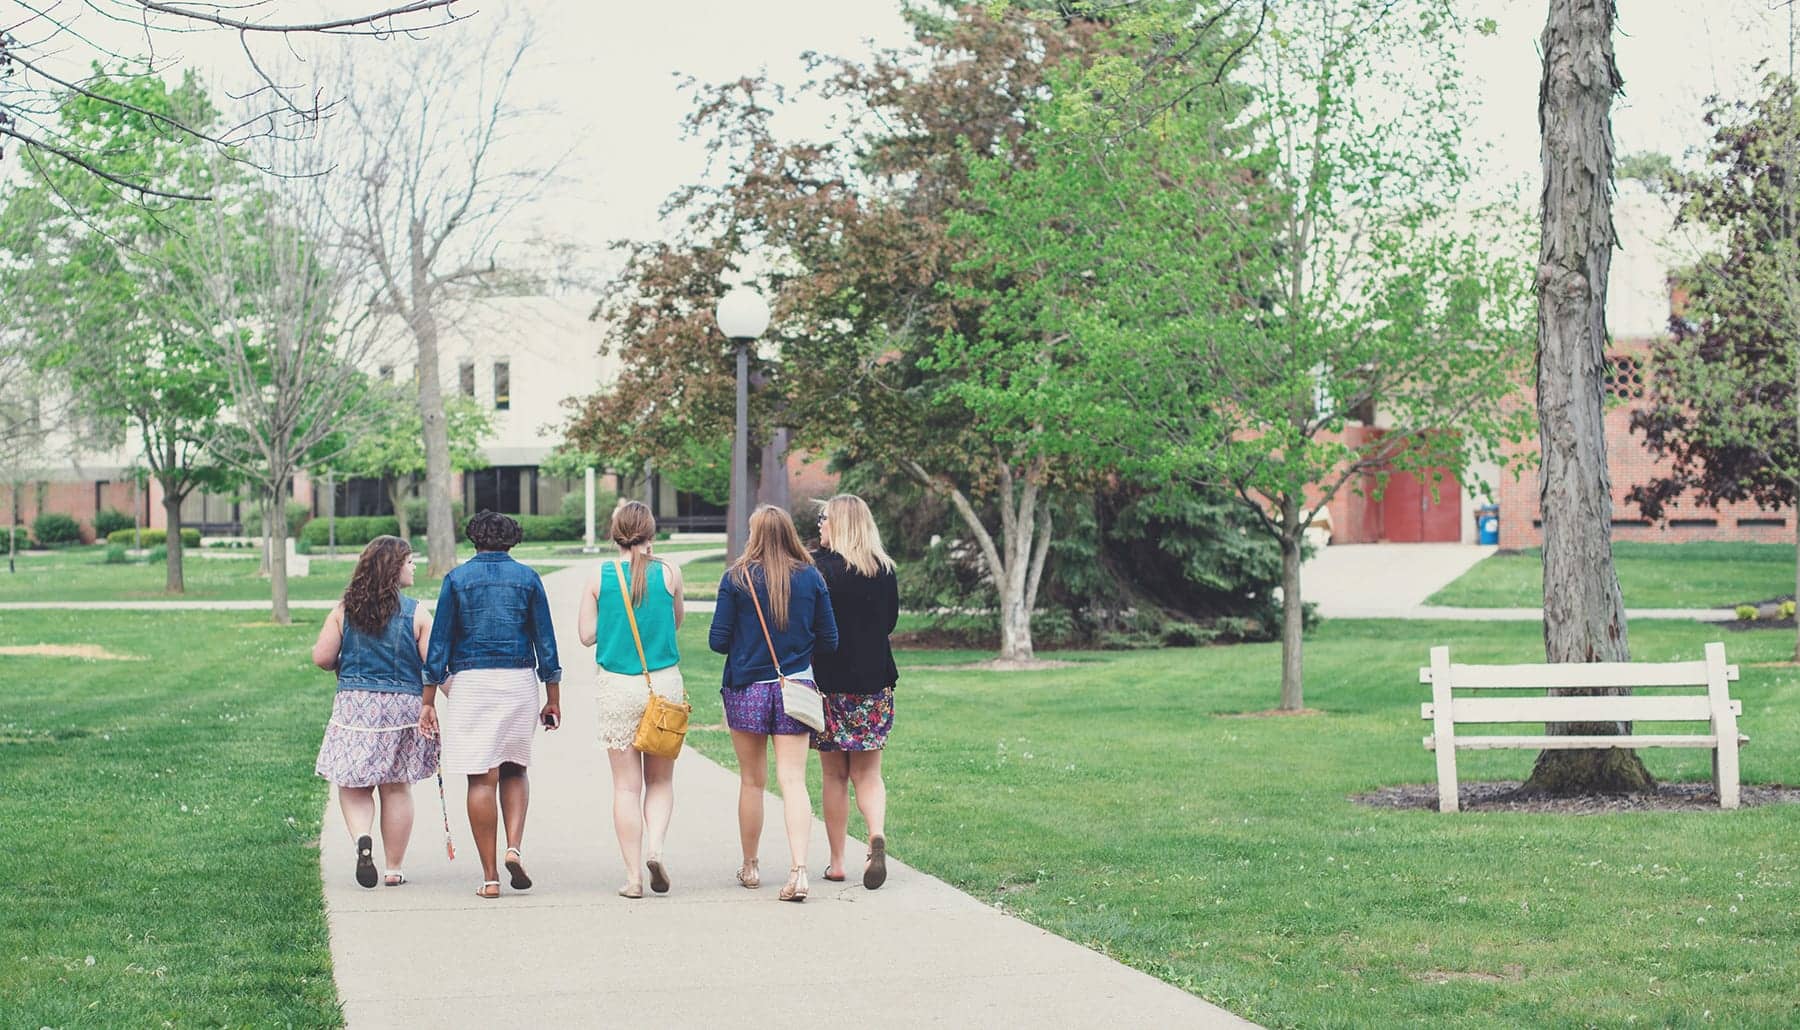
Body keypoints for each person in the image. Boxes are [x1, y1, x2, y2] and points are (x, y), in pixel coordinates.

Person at [423, 510, 563, 900]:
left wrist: (429, 699)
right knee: (515, 768)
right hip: (519, 682)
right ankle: (513, 847)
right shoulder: (528, 579)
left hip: (472, 685)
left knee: (480, 778)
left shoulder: (456, 580)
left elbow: (439, 644)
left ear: (474, 539)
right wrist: (553, 697)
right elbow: (545, 642)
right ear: (512, 540)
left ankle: (489, 877)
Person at [709, 504, 838, 902]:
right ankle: (799, 870)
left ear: (754, 534)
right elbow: (830, 640)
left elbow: (717, 641)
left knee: (752, 780)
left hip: (747, 688)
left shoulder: (736, 578)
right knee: (794, 780)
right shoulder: (811, 578)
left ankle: (751, 866)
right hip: (795, 688)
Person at [311, 536, 438, 889]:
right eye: (409, 561)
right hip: (403, 706)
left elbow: (322, 657)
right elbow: (435, 664)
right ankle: (394, 867)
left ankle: (362, 839)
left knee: (354, 785)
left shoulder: (344, 610)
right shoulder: (417, 612)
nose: (413, 566)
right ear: (393, 568)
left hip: (356, 706)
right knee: (397, 786)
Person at [578, 501, 687, 899]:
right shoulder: (670, 572)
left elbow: (586, 635)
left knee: (626, 787)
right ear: (651, 533)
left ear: (615, 533)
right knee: (660, 780)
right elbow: (676, 621)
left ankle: (633, 878)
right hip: (663, 685)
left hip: (618, 687)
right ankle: (656, 848)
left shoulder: (600, 575)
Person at [810, 494, 899, 890]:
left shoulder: (819, 569)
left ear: (841, 523)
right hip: (873, 684)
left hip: (829, 685)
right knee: (869, 773)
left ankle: (836, 862)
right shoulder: (884, 569)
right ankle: (875, 834)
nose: (819, 525)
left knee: (834, 775)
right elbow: (890, 621)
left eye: (824, 518)